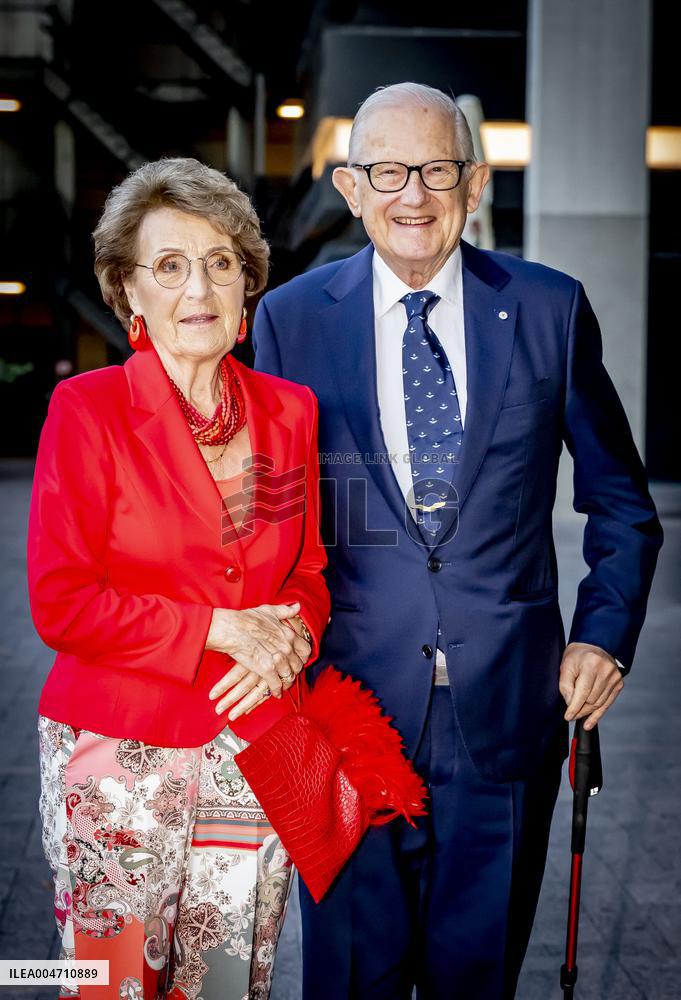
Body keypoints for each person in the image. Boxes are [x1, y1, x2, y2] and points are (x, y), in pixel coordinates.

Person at [252, 83, 663, 999]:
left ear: (472, 182)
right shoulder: (289, 319)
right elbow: (269, 517)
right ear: (350, 188)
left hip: (507, 712)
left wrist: (601, 635)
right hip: (349, 709)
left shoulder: (550, 309)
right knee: (351, 976)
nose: (412, 193)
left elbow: (623, 504)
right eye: (386, 171)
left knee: (475, 978)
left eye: (436, 168)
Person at [27, 157, 330, 1000]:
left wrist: (293, 633)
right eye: (169, 266)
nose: (198, 286)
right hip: (115, 754)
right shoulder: (86, 410)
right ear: (129, 292)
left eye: (220, 262)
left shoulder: (290, 410)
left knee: (231, 980)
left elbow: (306, 567)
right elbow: (62, 600)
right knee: (111, 983)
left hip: (253, 748)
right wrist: (221, 628)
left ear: (246, 288)